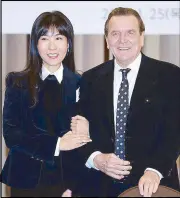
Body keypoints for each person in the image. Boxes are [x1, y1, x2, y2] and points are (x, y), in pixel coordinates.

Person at [71, 7, 180, 197]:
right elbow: (78, 130)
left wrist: (155, 170)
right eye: (115, 34)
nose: (122, 40)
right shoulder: (89, 79)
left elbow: (175, 131)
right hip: (99, 187)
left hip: (152, 186)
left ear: (142, 37)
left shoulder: (170, 75)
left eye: (130, 33)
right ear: (107, 40)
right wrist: (96, 159)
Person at [0, 11, 91, 197]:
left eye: (58, 38)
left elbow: (83, 142)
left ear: (68, 44)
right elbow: (12, 134)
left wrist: (75, 185)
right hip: (26, 180)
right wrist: (57, 144)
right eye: (44, 38)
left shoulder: (81, 83)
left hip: (67, 183)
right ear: (35, 43)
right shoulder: (18, 83)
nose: (52, 46)